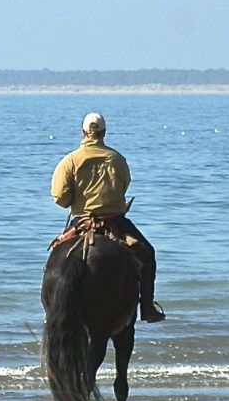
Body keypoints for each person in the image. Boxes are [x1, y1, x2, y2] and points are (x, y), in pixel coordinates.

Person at [51, 111, 165, 322]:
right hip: (115, 222)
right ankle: (147, 307)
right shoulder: (117, 159)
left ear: (83, 132)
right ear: (104, 133)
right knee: (148, 254)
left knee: (56, 254)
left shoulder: (70, 161)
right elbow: (124, 186)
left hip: (81, 222)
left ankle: (51, 309)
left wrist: (73, 200)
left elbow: (60, 197)